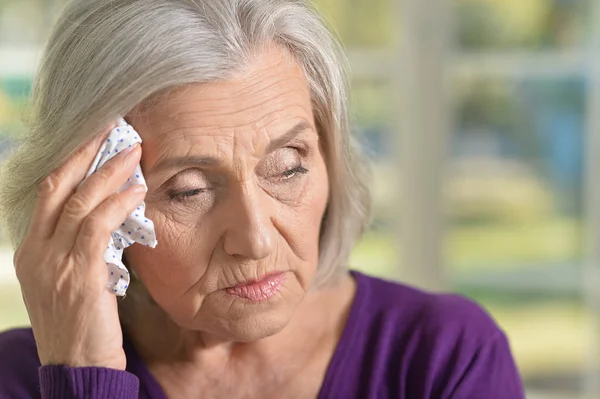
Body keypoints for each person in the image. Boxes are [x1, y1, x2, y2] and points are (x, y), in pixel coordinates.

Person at [0, 0, 525, 398]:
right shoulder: (22, 378)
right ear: (89, 202)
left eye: (288, 167)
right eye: (189, 191)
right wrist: (82, 376)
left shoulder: (443, 356)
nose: (254, 239)